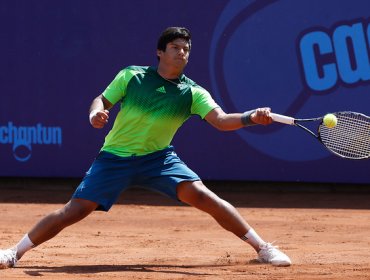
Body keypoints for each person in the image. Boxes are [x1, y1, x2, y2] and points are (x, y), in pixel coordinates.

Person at [0, 27, 291, 269]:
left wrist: (250, 117)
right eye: (175, 47)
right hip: (115, 158)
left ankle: (263, 248)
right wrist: (95, 114)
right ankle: (14, 252)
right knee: (74, 211)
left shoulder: (193, 92)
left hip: (159, 159)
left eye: (186, 49)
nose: (182, 53)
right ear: (160, 52)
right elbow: (101, 100)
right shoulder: (132, 76)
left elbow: (222, 121)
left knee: (204, 196)